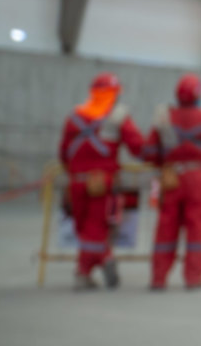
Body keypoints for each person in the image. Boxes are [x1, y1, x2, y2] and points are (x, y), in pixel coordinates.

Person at [146, 73, 201, 290]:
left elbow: (148, 151)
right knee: (196, 227)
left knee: (166, 227)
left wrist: (164, 161)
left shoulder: (164, 117)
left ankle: (159, 278)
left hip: (170, 178)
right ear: (198, 95)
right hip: (196, 178)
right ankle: (193, 278)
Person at [58, 71, 145, 290]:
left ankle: (84, 272)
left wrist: (74, 171)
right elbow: (138, 147)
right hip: (101, 183)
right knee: (95, 228)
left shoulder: (74, 117)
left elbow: (64, 153)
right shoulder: (118, 117)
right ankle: (101, 260)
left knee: (83, 228)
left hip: (76, 182)